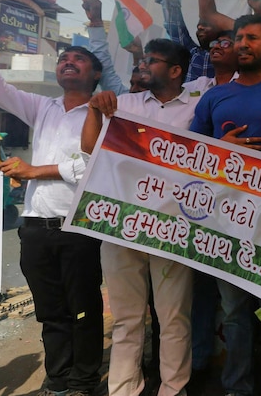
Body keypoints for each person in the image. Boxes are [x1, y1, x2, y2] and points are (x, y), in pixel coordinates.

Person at [0, 12, 104, 396]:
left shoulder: (103, 114)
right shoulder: (43, 107)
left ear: (96, 74)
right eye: (63, 59)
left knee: (84, 310)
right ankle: (59, 378)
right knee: (51, 311)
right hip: (36, 225)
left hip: (79, 227)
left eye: (79, 59)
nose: (68, 62)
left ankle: (84, 382)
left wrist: (35, 171)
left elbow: (91, 165)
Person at [82, 39, 216, 396]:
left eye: (151, 61)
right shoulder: (121, 104)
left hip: (173, 228)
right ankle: (124, 389)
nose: (142, 66)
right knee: (126, 319)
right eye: (142, 60)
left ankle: (174, 389)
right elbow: (89, 147)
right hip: (121, 224)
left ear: (176, 71)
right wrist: (95, 109)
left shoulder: (197, 104)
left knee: (173, 318)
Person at [190, 14, 261, 396]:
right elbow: (190, 155)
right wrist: (224, 151)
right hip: (226, 221)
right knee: (235, 316)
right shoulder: (214, 96)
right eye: (238, 37)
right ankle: (236, 389)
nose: (242, 44)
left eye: (251, 38)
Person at [82, 0, 143, 96]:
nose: (134, 90)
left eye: (143, 85)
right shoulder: (128, 98)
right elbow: (105, 74)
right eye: (132, 84)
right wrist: (96, 21)